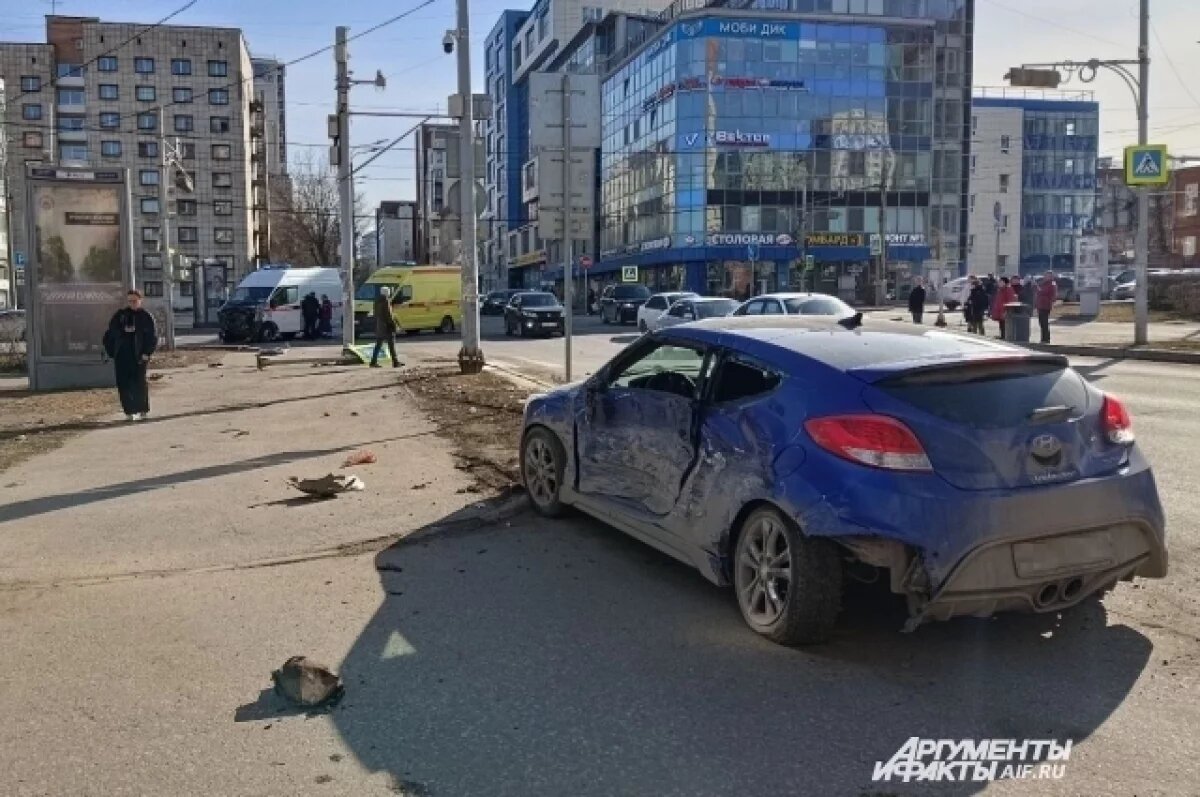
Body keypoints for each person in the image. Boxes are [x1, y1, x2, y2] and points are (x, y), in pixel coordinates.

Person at [103, 290, 158, 421]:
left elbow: (152, 337)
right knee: (124, 383)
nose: (132, 303)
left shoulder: (146, 317)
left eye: (135, 300)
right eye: (130, 301)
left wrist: (147, 353)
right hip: (122, 355)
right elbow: (110, 333)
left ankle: (142, 409)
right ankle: (129, 411)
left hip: (139, 356)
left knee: (139, 382)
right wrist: (122, 333)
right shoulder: (120, 315)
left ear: (140, 300)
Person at [370, 285, 400, 368]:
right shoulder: (386, 301)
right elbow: (388, 315)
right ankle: (395, 362)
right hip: (387, 326)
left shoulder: (376, 301)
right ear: (387, 293)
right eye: (389, 291)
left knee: (378, 344)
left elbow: (376, 314)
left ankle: (373, 361)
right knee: (391, 344)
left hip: (379, 325)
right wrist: (394, 324)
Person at [1036, 270, 1058, 344]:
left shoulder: (1052, 284)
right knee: (1041, 322)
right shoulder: (1044, 283)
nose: (1046, 277)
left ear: (1051, 276)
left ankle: (1046, 339)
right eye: (1046, 275)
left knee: (1044, 322)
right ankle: (1043, 338)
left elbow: (1045, 292)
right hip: (1040, 305)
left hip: (1046, 305)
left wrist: (1038, 289)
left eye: (1048, 275)